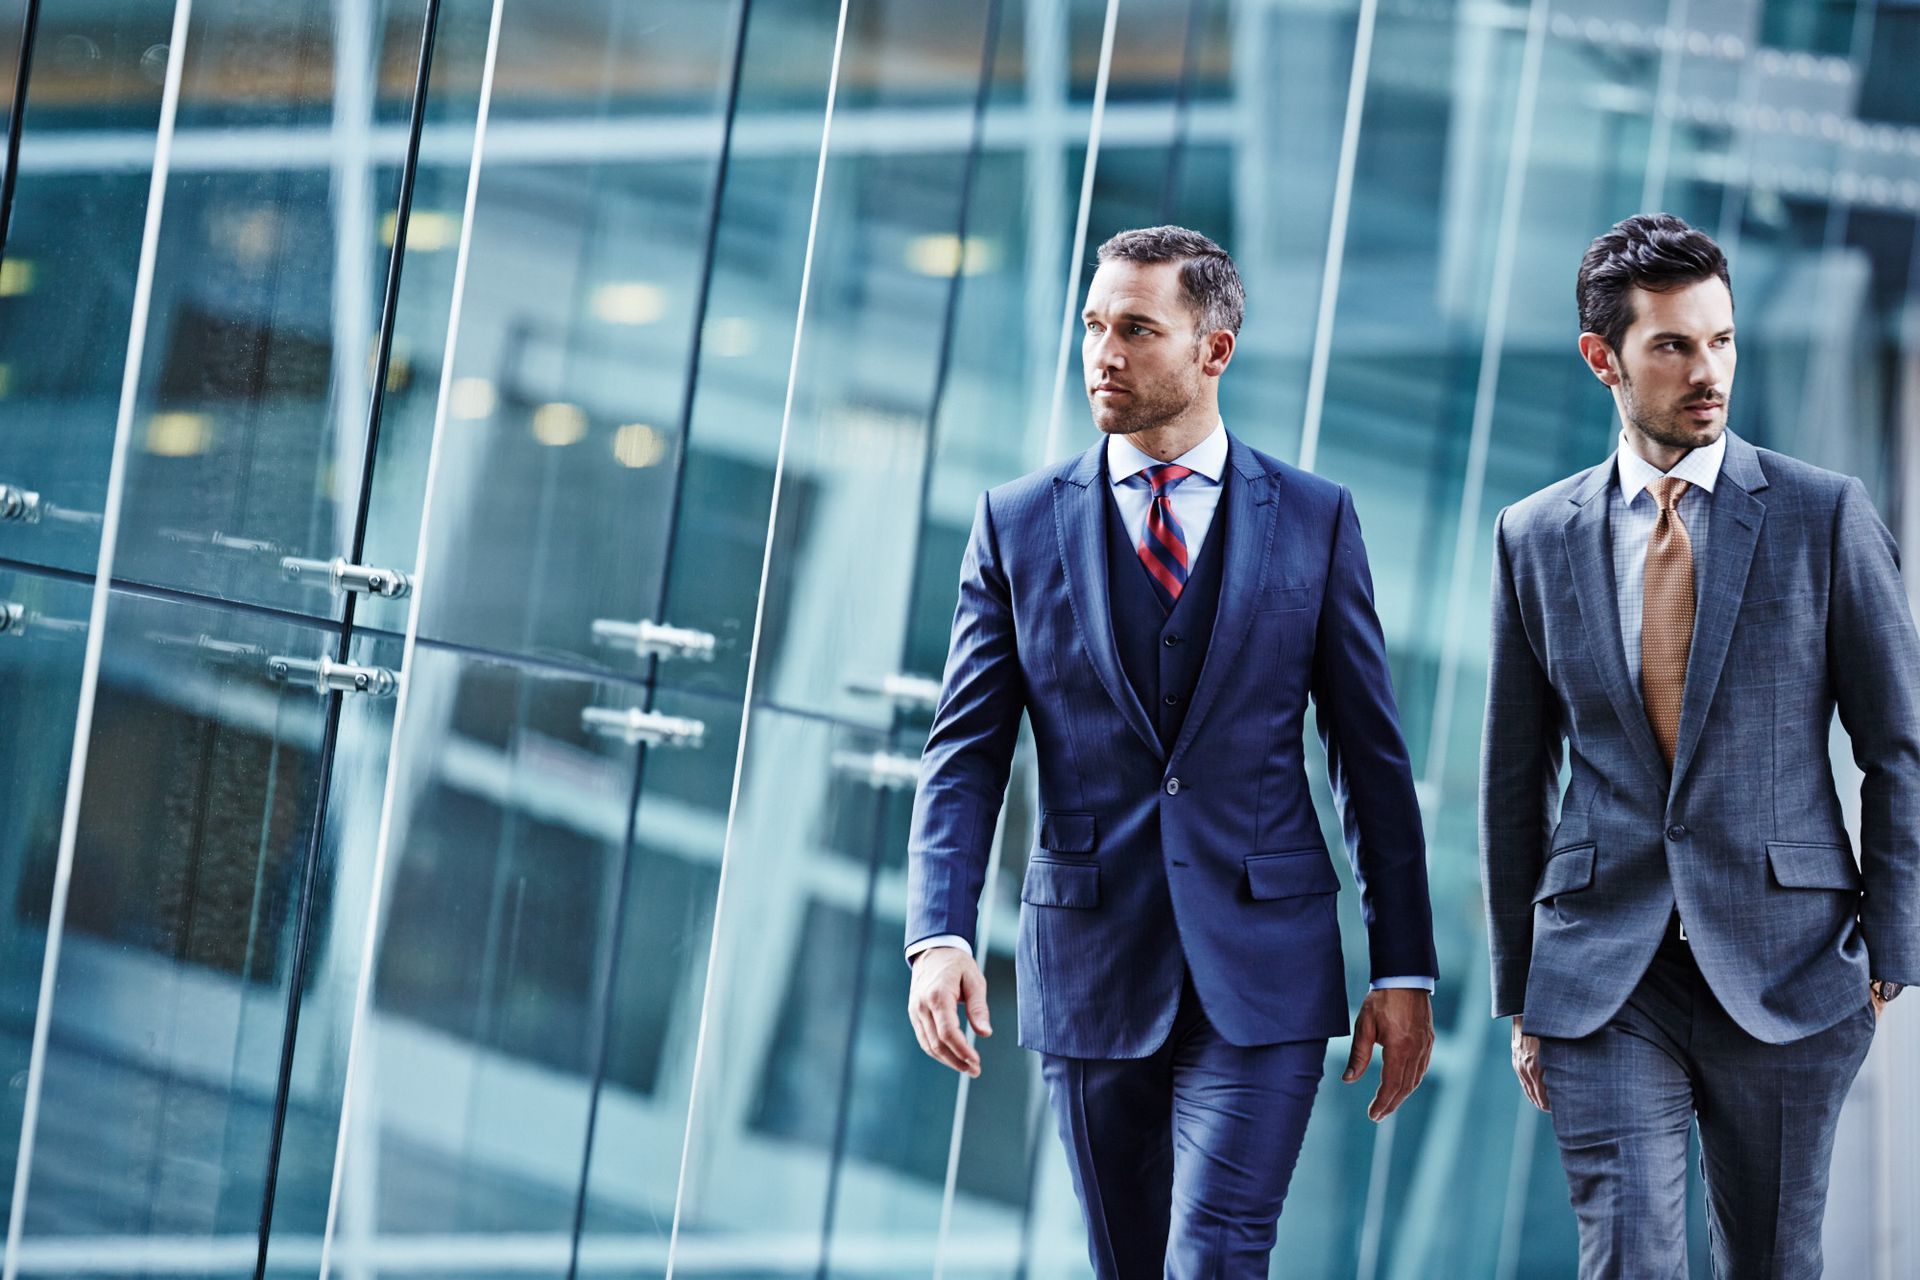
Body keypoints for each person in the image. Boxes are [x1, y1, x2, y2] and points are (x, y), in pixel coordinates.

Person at [903, 225, 1437, 1279]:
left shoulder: (1316, 521)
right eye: (1094, 325)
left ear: (1214, 348)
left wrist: (1404, 963)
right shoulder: (1014, 525)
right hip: (1093, 962)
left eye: (1136, 329)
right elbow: (966, 751)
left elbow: (1368, 759)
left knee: (1216, 1254)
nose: (1103, 351)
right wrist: (938, 930)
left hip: (1267, 964)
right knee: (1129, 1264)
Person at [1479, 211, 1919, 1278]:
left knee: (1773, 1259)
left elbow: (1898, 745)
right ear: (1604, 358)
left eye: (1719, 339)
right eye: (1673, 344)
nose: (1706, 369)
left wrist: (1888, 949)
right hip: (1600, 970)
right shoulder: (1535, 535)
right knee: (1630, 1254)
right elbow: (1511, 777)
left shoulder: (1824, 515)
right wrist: (1520, 987)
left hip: (1792, 964)